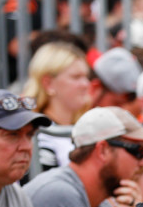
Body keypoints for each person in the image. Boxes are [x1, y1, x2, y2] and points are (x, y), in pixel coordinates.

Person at [23, 42, 92, 170]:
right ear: (48, 83)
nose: (86, 84)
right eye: (76, 77)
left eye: (86, 77)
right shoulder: (38, 137)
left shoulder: (87, 128)